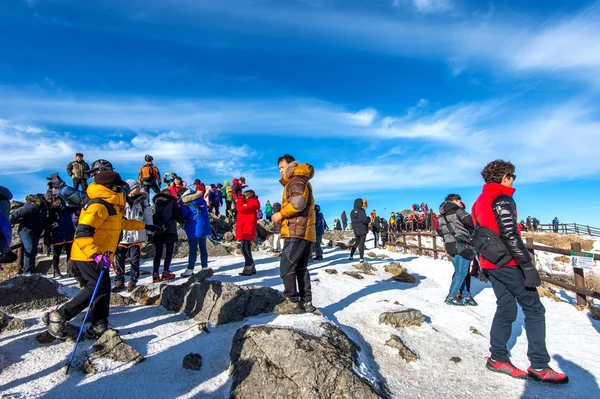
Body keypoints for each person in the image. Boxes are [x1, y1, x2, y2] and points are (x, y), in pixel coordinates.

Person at [472, 160, 568, 384]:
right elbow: (510, 234)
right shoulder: (502, 198)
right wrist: (526, 265)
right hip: (507, 262)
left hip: (490, 262)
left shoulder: (478, 201)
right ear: (505, 176)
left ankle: (497, 358)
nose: (514, 179)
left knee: (506, 308)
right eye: (513, 175)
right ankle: (540, 366)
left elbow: (478, 234)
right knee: (534, 308)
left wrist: (481, 264)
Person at [46, 168, 162, 339]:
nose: (123, 190)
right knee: (97, 288)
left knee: (101, 288)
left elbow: (121, 223)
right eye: (119, 186)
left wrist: (146, 226)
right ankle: (60, 316)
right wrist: (96, 255)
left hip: (97, 254)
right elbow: (83, 233)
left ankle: (99, 324)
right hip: (88, 255)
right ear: (111, 187)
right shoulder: (99, 205)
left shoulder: (111, 205)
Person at [271, 154, 316, 313]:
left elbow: (298, 203)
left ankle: (291, 301)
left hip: (296, 230)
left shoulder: (295, 180)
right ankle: (306, 302)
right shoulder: (300, 180)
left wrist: (281, 214)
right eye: (279, 169)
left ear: (290, 165)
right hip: (304, 232)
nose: (280, 171)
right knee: (301, 268)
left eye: (282, 167)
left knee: (287, 265)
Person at [112, 180, 153, 292]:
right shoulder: (119, 200)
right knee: (118, 260)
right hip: (121, 237)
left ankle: (133, 280)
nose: (139, 189)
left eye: (139, 187)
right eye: (136, 187)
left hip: (136, 236)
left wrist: (149, 233)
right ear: (130, 188)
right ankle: (119, 280)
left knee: (135, 260)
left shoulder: (143, 202)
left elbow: (148, 216)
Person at [437, 194, 477, 306]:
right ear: (455, 201)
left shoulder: (441, 216)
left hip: (450, 245)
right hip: (462, 244)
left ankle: (465, 295)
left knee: (460, 271)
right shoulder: (459, 212)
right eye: (460, 201)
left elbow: (439, 230)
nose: (460, 203)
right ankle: (451, 296)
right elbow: (471, 222)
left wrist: (448, 236)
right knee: (461, 272)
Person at [9, 194, 49, 274]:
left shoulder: (43, 207)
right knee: (30, 249)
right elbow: (18, 213)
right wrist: (7, 221)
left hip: (34, 231)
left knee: (33, 250)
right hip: (26, 231)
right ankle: (28, 271)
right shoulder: (33, 206)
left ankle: (31, 270)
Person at [152, 189, 183, 283]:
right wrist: (182, 221)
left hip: (157, 230)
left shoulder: (155, 202)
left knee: (158, 253)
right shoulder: (172, 202)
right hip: (170, 230)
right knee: (169, 253)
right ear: (169, 194)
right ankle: (165, 272)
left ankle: (155, 274)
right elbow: (177, 215)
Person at [45, 194, 78, 278]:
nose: (56, 203)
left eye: (57, 201)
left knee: (70, 254)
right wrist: (47, 238)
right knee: (56, 255)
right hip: (57, 236)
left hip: (69, 235)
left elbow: (78, 207)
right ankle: (56, 271)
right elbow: (47, 227)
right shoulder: (50, 213)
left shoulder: (66, 209)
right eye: (54, 202)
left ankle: (70, 270)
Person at [180, 188, 211, 276]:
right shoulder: (201, 200)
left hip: (194, 228)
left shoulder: (186, 203)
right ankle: (204, 267)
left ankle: (190, 269)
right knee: (203, 247)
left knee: (193, 249)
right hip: (204, 227)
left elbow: (184, 215)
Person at [236, 190, 260, 276]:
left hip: (247, 227)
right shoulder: (249, 202)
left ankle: (248, 267)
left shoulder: (253, 202)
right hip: (244, 227)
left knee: (245, 249)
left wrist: (239, 199)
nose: (244, 196)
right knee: (245, 248)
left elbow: (240, 208)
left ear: (249, 195)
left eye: (245, 195)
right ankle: (251, 266)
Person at [349, 198, 369, 263]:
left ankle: (351, 256)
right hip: (362, 229)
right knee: (361, 244)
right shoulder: (361, 211)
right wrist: (368, 219)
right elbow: (364, 220)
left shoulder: (352, 212)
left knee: (357, 243)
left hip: (356, 230)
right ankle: (361, 258)